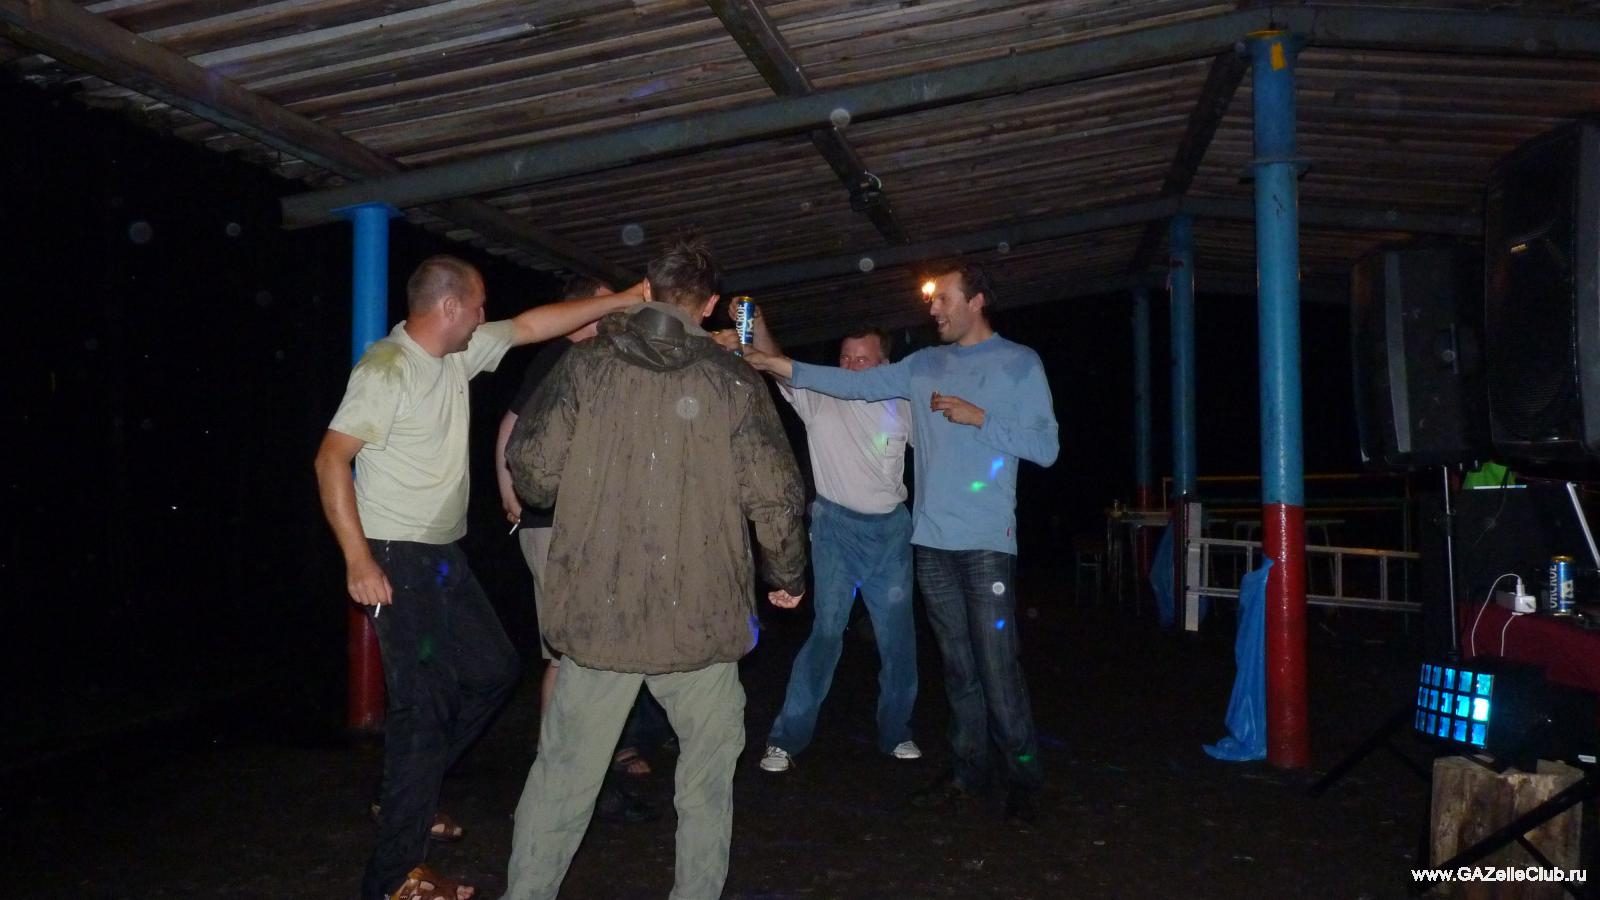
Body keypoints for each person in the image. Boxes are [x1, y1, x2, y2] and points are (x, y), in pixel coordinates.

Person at [314, 254, 643, 900]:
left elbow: (532, 326)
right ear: (449, 307)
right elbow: (331, 460)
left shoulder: (455, 356)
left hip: (441, 555)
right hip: (396, 556)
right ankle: (393, 879)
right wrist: (357, 559)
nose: (484, 315)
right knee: (424, 707)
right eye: (478, 305)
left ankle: (407, 793)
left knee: (494, 669)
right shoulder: (387, 368)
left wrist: (622, 299)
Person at [500, 235, 807, 900]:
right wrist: (786, 576)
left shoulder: (586, 366)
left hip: (600, 615)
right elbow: (776, 493)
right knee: (705, 783)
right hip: (701, 617)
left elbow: (533, 472)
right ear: (710, 304)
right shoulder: (732, 380)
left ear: (648, 289)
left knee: (562, 778)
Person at [741, 261, 1058, 825]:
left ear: (977, 301)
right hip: (929, 542)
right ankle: (966, 773)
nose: (932, 309)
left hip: (985, 543)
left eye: (944, 299)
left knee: (997, 667)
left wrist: (979, 418)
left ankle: (1024, 777)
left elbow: (1046, 448)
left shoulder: (1018, 363)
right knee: (957, 668)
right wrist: (771, 362)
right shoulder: (923, 366)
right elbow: (848, 384)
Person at [492, 274, 667, 824]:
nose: (616, 311)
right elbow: (513, 424)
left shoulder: (593, 359)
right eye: (605, 303)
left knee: (583, 648)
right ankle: (559, 769)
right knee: (569, 652)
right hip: (553, 526)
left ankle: (583, 762)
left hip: (580, 525)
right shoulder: (558, 358)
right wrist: (511, 492)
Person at [713, 309, 919, 773]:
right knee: (826, 633)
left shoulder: (902, 401)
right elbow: (774, 362)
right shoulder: (818, 394)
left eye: (862, 359)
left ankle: (897, 731)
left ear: (884, 364)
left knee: (898, 639)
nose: (851, 367)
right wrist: (758, 322)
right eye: (845, 358)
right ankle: (785, 738)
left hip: (889, 532)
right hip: (834, 528)